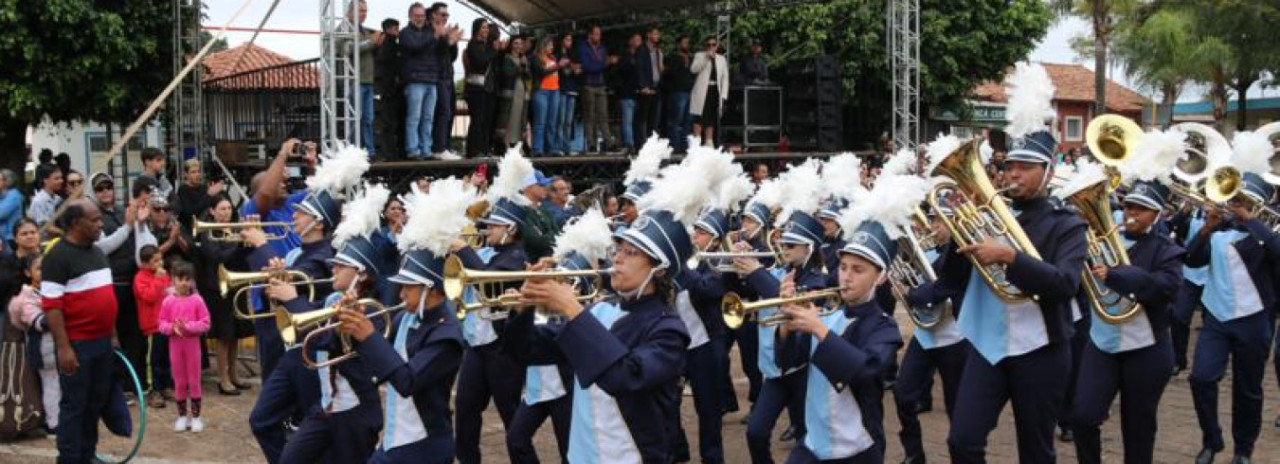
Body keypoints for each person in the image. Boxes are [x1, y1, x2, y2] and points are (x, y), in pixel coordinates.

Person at [927, 126, 1087, 463]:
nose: (1015, 173)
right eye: (1011, 165)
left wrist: (1010, 257)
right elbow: (950, 281)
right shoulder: (984, 216)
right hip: (987, 346)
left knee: (1036, 451)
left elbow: (1065, 285)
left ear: (1048, 173)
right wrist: (958, 229)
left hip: (1042, 348)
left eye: (1027, 167)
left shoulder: (1066, 225)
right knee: (962, 440)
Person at [506, 214, 691, 464]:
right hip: (580, 455)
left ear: (659, 269)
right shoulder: (599, 310)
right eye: (619, 249)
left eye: (632, 253)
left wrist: (572, 309)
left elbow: (624, 377)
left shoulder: (668, 330)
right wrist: (524, 308)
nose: (617, 258)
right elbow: (527, 351)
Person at [336, 178, 471, 464]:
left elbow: (407, 380)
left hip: (424, 446)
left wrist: (368, 335)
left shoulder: (447, 335)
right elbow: (372, 356)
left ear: (431, 290)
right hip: (396, 439)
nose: (399, 292)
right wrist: (348, 323)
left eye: (408, 286)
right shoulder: (406, 317)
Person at [1070, 180, 1183, 464]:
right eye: (1129, 206)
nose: (1131, 213)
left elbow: (1166, 288)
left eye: (1142, 209)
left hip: (1146, 345)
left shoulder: (1165, 249)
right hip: (1102, 341)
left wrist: (1118, 275)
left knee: (1138, 427)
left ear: (1157, 214)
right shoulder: (1098, 238)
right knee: (1083, 416)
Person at [778, 216, 905, 464]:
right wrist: (786, 322)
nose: (846, 277)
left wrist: (819, 330)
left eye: (858, 270)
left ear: (880, 277)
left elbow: (865, 371)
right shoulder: (827, 313)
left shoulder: (884, 327)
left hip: (856, 448)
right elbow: (788, 361)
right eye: (844, 267)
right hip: (813, 443)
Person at [1184, 172, 1280, 464]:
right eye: (1235, 200)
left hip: (1254, 319)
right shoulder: (1218, 230)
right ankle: (1212, 440)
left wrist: (1251, 220)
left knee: (1248, 389)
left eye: (1244, 202)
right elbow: (1191, 259)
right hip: (1216, 318)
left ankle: (1243, 450)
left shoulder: (1267, 234)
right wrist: (1205, 231)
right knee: (1201, 377)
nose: (1236, 206)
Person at [453, 185, 532, 464]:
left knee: (511, 415)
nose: (487, 230)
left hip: (502, 348)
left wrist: (462, 249)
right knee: (464, 411)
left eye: (494, 226)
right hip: (476, 345)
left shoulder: (516, 258)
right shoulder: (488, 251)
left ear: (510, 228)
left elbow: (487, 280)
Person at [41, 199, 119, 463]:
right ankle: (70, 458)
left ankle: (88, 454)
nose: (100, 224)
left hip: (102, 343)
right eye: (95, 220)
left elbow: (107, 298)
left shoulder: (97, 252)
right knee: (75, 406)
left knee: (94, 403)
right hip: (77, 345)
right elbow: (52, 306)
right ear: (76, 223)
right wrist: (64, 347)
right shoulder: (57, 256)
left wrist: (112, 334)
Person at [897, 207, 969, 464]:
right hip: (925, 335)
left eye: (939, 222)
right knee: (902, 393)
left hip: (955, 337)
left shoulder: (963, 256)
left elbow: (942, 289)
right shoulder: (924, 252)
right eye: (933, 221)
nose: (934, 227)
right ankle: (914, 454)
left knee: (956, 407)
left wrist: (914, 295)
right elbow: (916, 283)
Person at [191, 196, 252, 395]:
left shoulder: (235, 229)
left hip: (237, 284)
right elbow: (217, 256)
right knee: (224, 335)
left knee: (236, 333)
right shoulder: (208, 232)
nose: (226, 212)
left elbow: (244, 257)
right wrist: (238, 242)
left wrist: (247, 240)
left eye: (229, 208)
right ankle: (223, 378)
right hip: (217, 288)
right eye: (222, 209)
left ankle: (234, 374)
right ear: (212, 211)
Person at [157, 260, 211, 432]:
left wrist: (188, 327)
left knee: (194, 381)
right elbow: (161, 323)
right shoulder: (167, 302)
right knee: (179, 382)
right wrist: (172, 328)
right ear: (173, 280)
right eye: (180, 279)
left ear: (192, 281)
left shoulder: (197, 300)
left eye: (187, 279)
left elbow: (205, 323)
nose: (183, 283)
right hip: (175, 346)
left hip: (193, 346)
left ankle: (196, 418)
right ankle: (181, 417)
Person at [400, 2, 457, 160]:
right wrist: (435, 36)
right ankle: (412, 149)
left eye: (422, 16)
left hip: (432, 80)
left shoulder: (430, 31)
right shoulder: (405, 33)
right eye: (416, 16)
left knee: (428, 118)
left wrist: (448, 41)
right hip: (415, 80)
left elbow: (441, 53)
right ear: (410, 16)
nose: (419, 18)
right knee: (414, 117)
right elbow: (415, 46)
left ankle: (426, 149)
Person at [10, 253, 58, 435]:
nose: (45, 272)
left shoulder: (54, 290)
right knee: (51, 386)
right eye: (39, 268)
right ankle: (53, 423)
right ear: (27, 272)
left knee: (60, 385)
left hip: (60, 348)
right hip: (43, 350)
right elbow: (40, 322)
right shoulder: (26, 297)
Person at [134, 244, 173, 409]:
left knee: (167, 358)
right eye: (155, 261)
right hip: (152, 326)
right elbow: (148, 297)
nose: (160, 263)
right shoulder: (140, 278)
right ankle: (153, 390)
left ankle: (166, 386)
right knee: (153, 360)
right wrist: (157, 279)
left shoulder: (164, 275)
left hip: (166, 323)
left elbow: (170, 292)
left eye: (160, 259)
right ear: (144, 263)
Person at [429, 2, 462, 160]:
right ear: (434, 15)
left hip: (448, 76)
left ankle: (445, 146)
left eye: (447, 15)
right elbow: (434, 52)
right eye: (442, 14)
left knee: (449, 112)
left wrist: (453, 43)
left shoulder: (444, 32)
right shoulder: (429, 31)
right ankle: (438, 147)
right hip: (436, 77)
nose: (445, 17)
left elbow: (452, 57)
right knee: (442, 113)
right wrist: (445, 40)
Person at [463, 18, 498, 158]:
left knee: (486, 121)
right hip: (475, 89)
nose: (486, 30)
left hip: (487, 89)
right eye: (483, 27)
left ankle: (484, 149)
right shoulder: (472, 45)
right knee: (477, 120)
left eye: (487, 28)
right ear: (477, 29)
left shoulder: (487, 46)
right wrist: (494, 51)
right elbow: (480, 62)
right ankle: (473, 151)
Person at [577, 25, 614, 154]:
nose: (598, 36)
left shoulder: (603, 48)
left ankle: (608, 142)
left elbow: (596, 66)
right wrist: (604, 64)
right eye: (596, 34)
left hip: (601, 84)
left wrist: (601, 65)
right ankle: (591, 144)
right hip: (588, 85)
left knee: (603, 115)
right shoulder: (583, 48)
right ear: (590, 35)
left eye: (599, 34)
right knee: (590, 116)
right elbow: (587, 67)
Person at [348, 0, 378, 157]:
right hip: (354, 81)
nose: (364, 14)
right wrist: (372, 41)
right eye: (360, 11)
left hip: (368, 81)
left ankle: (369, 151)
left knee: (368, 119)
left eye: (365, 11)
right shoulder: (344, 29)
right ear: (350, 12)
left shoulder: (365, 30)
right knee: (355, 118)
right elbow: (349, 49)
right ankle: (354, 150)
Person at [530, 36, 568, 157]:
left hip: (554, 91)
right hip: (541, 91)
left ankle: (551, 148)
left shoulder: (553, 58)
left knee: (552, 122)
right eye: (550, 45)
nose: (552, 47)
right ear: (543, 45)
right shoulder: (535, 58)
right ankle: (537, 149)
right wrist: (558, 66)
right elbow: (541, 72)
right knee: (540, 122)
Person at [690, 36, 729, 147]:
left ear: (716, 46)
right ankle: (696, 142)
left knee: (711, 117)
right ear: (705, 46)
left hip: (715, 90)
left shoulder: (721, 59)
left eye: (713, 45)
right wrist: (706, 57)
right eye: (708, 45)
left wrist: (724, 95)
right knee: (699, 117)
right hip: (703, 90)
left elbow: (725, 78)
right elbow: (694, 69)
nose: (711, 47)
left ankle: (709, 142)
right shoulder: (699, 55)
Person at [493, 35, 530, 149]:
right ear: (511, 45)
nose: (519, 46)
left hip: (521, 91)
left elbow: (528, 76)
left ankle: (518, 144)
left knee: (520, 118)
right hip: (510, 92)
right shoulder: (507, 58)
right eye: (516, 43)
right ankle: (505, 144)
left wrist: (525, 66)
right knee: (509, 118)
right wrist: (520, 66)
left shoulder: (523, 59)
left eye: (520, 43)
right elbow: (507, 73)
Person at [375, 17, 404, 159]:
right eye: (395, 28)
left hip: (390, 87)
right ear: (388, 29)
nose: (397, 31)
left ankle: (391, 152)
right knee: (390, 123)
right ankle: (390, 152)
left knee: (390, 122)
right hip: (389, 88)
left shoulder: (390, 44)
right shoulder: (388, 44)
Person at [520, 170, 560, 261]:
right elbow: (536, 240)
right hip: (531, 264)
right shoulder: (521, 210)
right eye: (541, 185)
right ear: (529, 187)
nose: (546, 188)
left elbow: (559, 235)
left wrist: (547, 235)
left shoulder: (544, 210)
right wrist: (551, 234)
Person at [174, 159, 224, 231]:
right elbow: (190, 212)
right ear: (186, 174)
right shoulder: (183, 190)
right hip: (190, 227)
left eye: (198, 171)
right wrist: (209, 195)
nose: (197, 174)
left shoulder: (204, 187)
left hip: (206, 224)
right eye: (193, 172)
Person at [664, 35, 694, 153]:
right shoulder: (673, 58)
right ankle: (675, 147)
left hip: (689, 92)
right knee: (676, 121)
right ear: (679, 45)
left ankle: (684, 147)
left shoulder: (691, 59)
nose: (686, 45)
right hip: (677, 92)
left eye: (688, 42)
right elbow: (671, 74)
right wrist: (683, 63)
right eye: (684, 42)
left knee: (687, 122)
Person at [555, 33, 581, 156]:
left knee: (569, 121)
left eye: (570, 39)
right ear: (561, 40)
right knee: (561, 120)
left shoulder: (573, 55)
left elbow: (578, 70)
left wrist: (576, 69)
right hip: (561, 89)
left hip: (572, 89)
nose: (569, 42)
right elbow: (563, 72)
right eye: (567, 39)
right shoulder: (557, 54)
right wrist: (571, 68)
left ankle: (567, 147)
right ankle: (559, 147)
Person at [615, 33, 642, 153]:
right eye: (636, 39)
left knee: (636, 121)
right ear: (630, 41)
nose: (638, 42)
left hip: (638, 94)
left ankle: (636, 143)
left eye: (640, 40)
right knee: (627, 120)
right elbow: (620, 72)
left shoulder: (640, 56)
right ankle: (628, 144)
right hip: (626, 93)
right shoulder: (625, 56)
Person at [636, 27, 663, 142]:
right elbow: (639, 68)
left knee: (654, 118)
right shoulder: (642, 49)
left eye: (658, 34)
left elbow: (659, 68)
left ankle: (652, 142)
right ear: (648, 35)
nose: (657, 36)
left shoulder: (657, 51)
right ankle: (642, 143)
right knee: (643, 118)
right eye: (655, 34)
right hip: (646, 87)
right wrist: (643, 86)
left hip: (656, 86)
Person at [0, 169, 23, 245]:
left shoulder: (13, 195)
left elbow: (1, 214)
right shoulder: (2, 196)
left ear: (6, 181)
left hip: (9, 238)